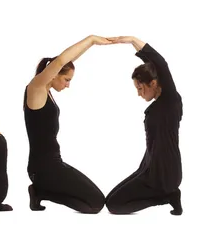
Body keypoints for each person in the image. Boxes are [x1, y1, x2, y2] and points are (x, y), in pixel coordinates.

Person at [23, 35, 111, 214]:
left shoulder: (47, 92)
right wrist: (91, 40)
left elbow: (65, 61)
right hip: (43, 168)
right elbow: (61, 60)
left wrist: (87, 49)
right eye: (67, 79)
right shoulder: (36, 89)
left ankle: (41, 191)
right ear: (54, 74)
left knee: (97, 201)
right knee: (95, 204)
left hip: (54, 164)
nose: (68, 85)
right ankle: (41, 192)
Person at [104, 36, 183, 216]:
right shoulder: (160, 102)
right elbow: (153, 64)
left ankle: (168, 197)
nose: (139, 94)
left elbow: (160, 63)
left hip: (164, 173)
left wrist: (132, 39)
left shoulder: (170, 100)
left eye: (140, 88)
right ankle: (167, 195)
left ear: (153, 83)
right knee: (110, 200)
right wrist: (132, 45)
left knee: (115, 206)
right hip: (148, 167)